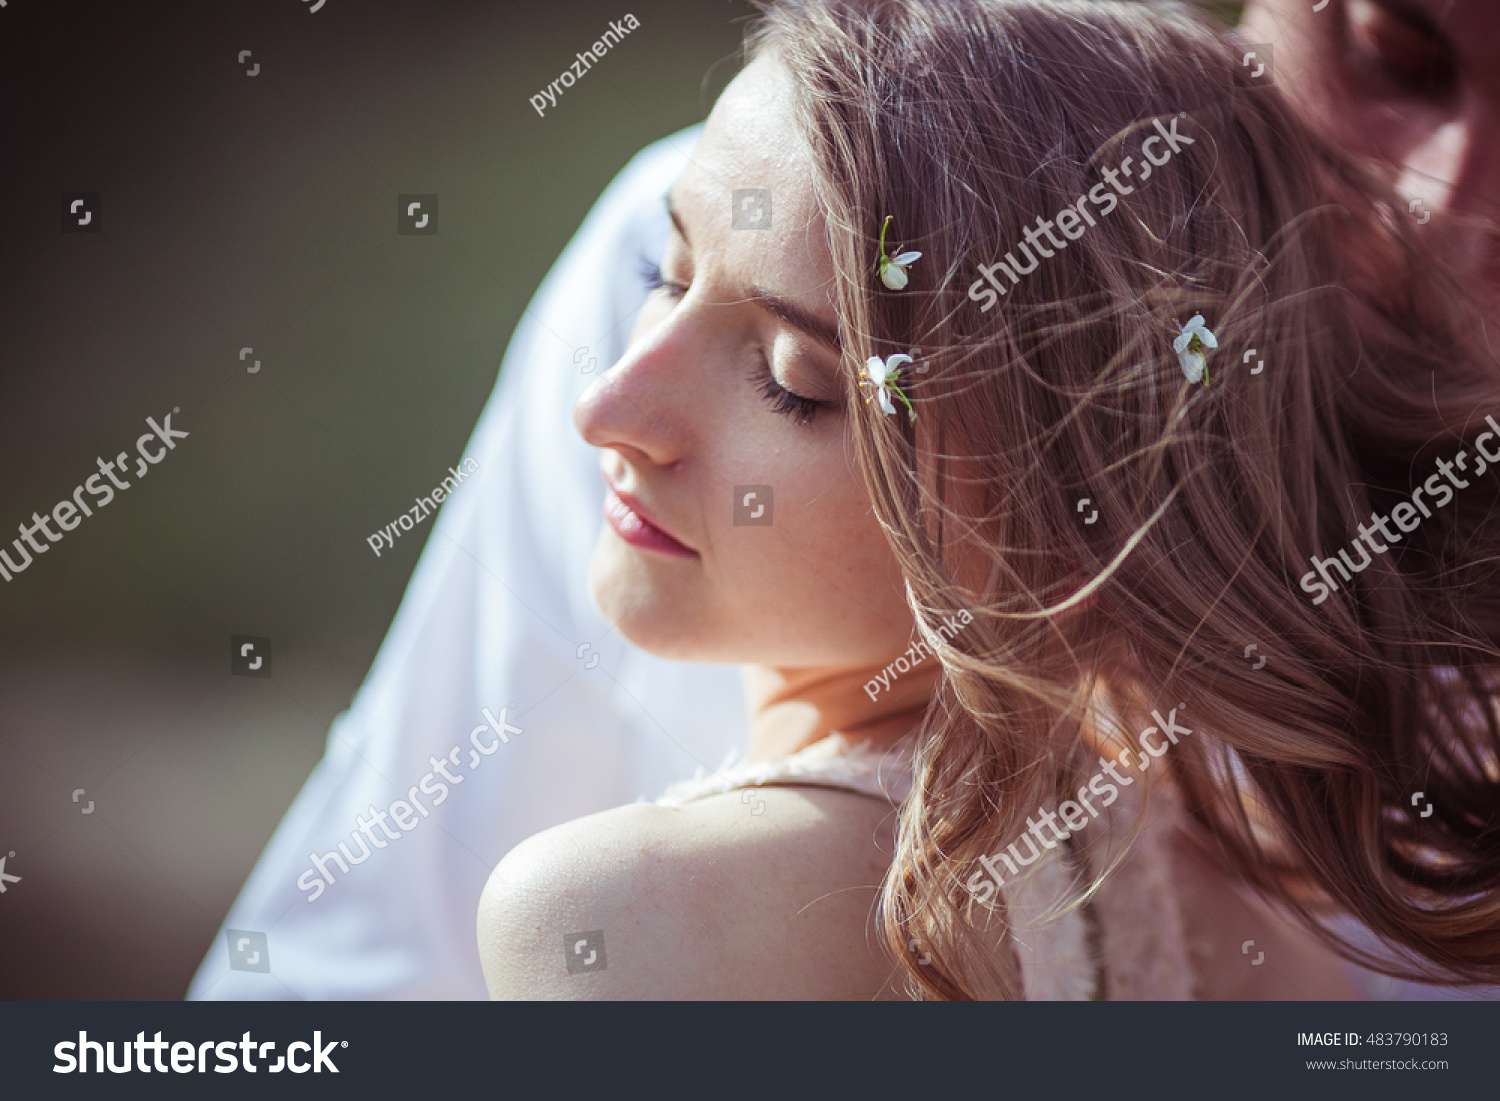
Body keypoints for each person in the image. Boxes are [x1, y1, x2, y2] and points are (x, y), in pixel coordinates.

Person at [192, 0, 1500, 1000]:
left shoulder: (618, 919)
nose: (606, 406)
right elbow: (333, 962)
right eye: (666, 266)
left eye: (793, 381)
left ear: (1065, 531)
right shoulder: (1246, 916)